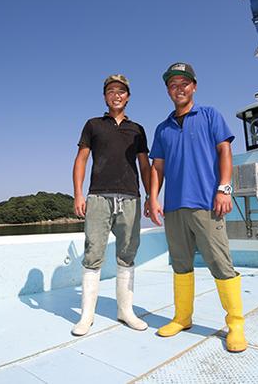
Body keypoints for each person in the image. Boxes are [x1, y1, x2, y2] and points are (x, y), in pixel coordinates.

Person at [147, 62, 247, 352]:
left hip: (207, 203)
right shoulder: (162, 128)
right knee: (180, 264)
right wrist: (153, 198)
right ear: (168, 90)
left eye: (184, 83)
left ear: (194, 86)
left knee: (220, 264)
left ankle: (236, 324)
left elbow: (225, 151)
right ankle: (182, 317)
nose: (179, 89)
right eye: (173, 85)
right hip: (174, 207)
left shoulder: (210, 115)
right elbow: (157, 167)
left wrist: (224, 188)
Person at [71, 74, 151, 336]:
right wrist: (78, 194)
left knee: (127, 254)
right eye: (111, 91)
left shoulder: (137, 129)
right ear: (105, 96)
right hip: (98, 197)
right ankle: (87, 315)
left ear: (128, 96)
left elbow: (144, 165)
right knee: (93, 254)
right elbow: (81, 159)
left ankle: (125, 311)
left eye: (121, 91)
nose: (116, 95)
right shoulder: (93, 125)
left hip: (130, 197)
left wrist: (151, 196)